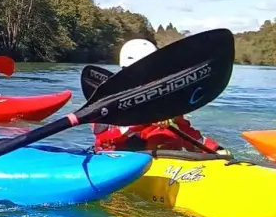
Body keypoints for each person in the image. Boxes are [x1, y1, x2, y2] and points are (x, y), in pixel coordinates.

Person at [92, 38, 223, 154]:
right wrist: (144, 120)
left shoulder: (165, 100)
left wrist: (215, 150)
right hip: (120, 160)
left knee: (165, 135)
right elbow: (103, 138)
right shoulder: (108, 100)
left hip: (163, 161)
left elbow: (185, 131)